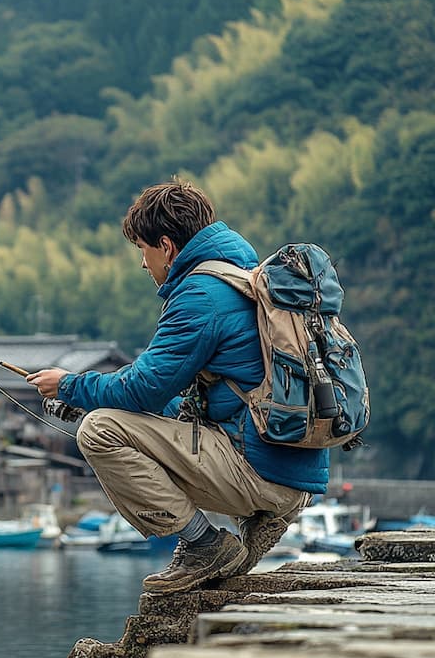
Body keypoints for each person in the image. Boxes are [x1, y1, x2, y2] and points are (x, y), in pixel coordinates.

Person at [27, 179, 326, 593]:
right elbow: (184, 408)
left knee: (99, 432)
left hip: (263, 472)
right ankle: (260, 519)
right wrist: (81, 399)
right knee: (103, 417)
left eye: (142, 251)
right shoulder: (242, 277)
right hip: (293, 473)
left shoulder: (201, 295)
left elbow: (144, 388)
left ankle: (205, 546)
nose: (143, 264)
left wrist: (71, 386)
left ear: (166, 247)